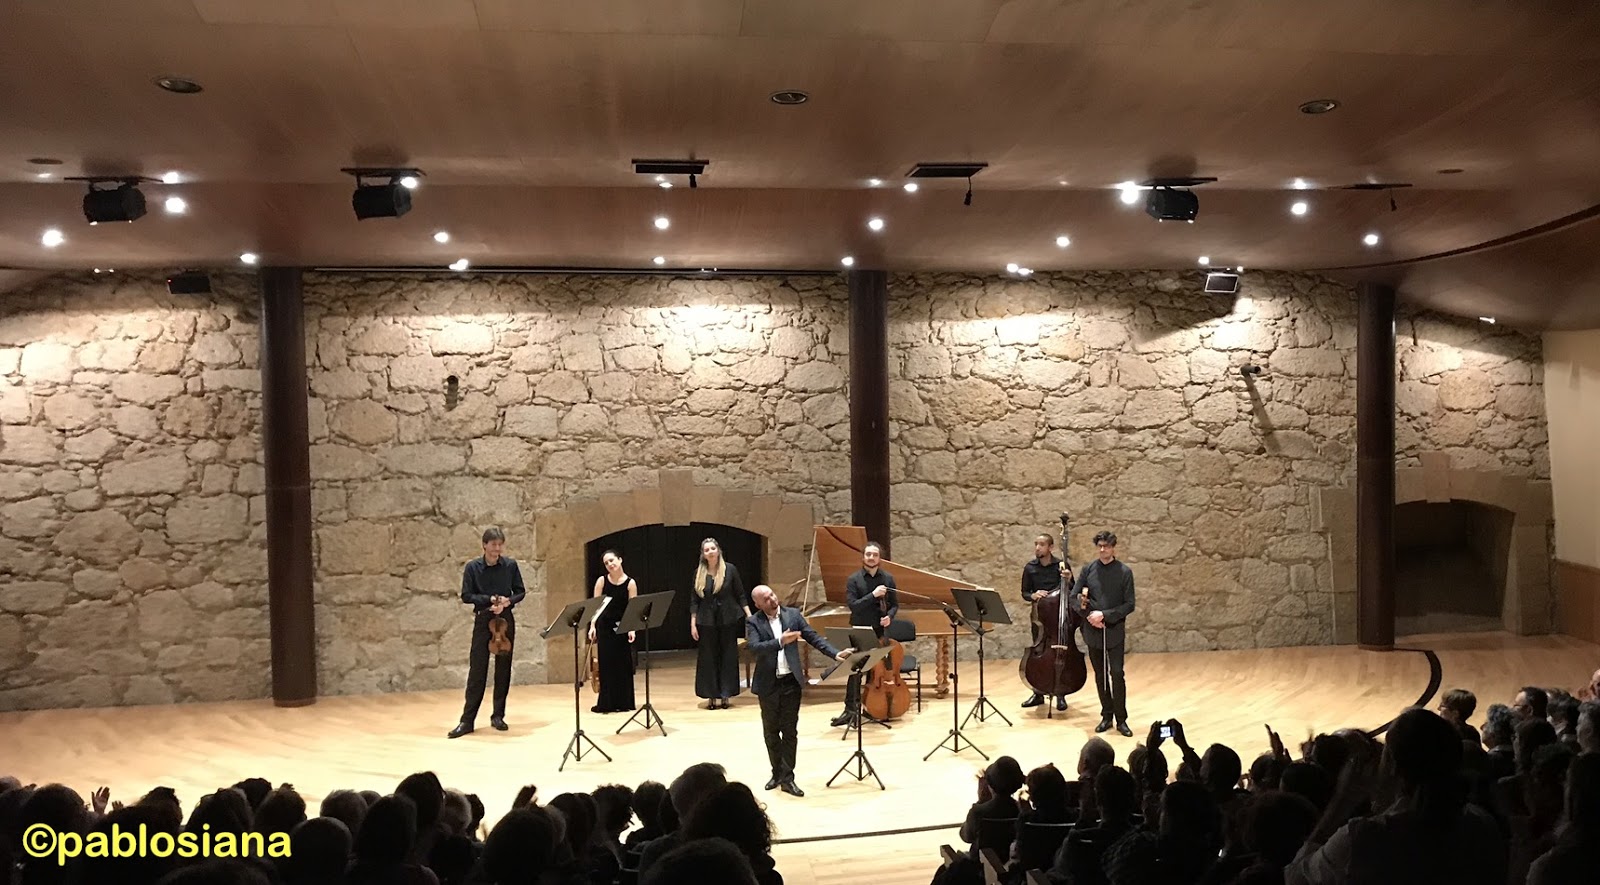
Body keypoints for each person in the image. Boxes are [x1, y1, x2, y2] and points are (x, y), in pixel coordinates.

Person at [746, 584, 849, 797]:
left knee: (790, 731)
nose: (772, 599)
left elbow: (813, 637)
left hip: (790, 682)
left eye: (772, 594)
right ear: (758, 604)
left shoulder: (792, 615)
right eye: (766, 599)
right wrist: (780, 641)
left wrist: (835, 654)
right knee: (771, 732)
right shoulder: (753, 622)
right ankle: (776, 772)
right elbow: (754, 647)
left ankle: (788, 778)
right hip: (768, 684)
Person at [449, 527, 526, 739]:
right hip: (484, 619)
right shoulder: (472, 567)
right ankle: (467, 720)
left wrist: (507, 602)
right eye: (493, 544)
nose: (497, 549)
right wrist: (489, 600)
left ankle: (498, 715)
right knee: (477, 669)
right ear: (484, 545)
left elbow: (520, 591)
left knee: (503, 669)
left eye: (500, 544)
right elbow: (466, 595)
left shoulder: (510, 565)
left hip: (505, 620)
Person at [1078, 530, 1135, 736]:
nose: (1103, 550)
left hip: (1114, 630)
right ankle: (1106, 716)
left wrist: (1104, 615)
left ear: (1113, 548)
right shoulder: (1088, 570)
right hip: (1093, 630)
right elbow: (1076, 597)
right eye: (1100, 546)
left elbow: (1129, 604)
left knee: (1117, 674)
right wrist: (1090, 616)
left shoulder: (1124, 572)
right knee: (1100, 676)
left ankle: (1121, 720)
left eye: (1107, 546)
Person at [834, 541, 897, 727]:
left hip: (880, 631)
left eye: (875, 555)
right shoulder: (854, 580)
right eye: (868, 554)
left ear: (880, 558)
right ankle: (850, 710)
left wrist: (890, 617)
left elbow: (894, 604)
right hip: (860, 630)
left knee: (875, 672)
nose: (871, 557)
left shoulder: (888, 578)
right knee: (855, 671)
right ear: (863, 557)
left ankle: (870, 707)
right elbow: (854, 606)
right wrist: (873, 595)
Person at [690, 537, 750, 710]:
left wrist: (749, 616)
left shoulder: (730, 570)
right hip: (706, 621)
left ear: (718, 550)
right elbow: (694, 600)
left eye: (712, 549)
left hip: (728, 619)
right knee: (708, 658)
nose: (710, 552)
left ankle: (725, 694)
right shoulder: (698, 573)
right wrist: (693, 623)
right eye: (706, 550)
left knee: (728, 657)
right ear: (703, 554)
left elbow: (740, 594)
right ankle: (711, 696)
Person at [1020, 532, 1070, 712]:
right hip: (1039, 617)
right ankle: (1038, 692)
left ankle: (1060, 693)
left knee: (1061, 654)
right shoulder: (1030, 568)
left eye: (1041, 545)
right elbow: (1025, 593)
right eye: (1036, 544)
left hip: (1058, 616)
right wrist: (1033, 595)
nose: (1037, 548)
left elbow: (1071, 589)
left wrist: (1067, 579)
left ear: (1051, 547)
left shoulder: (1061, 566)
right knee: (1039, 653)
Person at [588, 549, 637, 714]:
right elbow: (595, 607)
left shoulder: (630, 583)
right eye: (606, 563)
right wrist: (592, 625)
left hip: (622, 627)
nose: (610, 564)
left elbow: (632, 608)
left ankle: (624, 702)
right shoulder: (602, 581)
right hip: (605, 627)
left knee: (623, 665)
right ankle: (607, 703)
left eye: (612, 560)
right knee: (607, 665)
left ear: (620, 560)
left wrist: (632, 629)